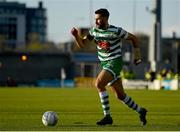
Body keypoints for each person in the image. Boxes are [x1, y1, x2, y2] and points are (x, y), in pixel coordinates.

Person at [71, 8, 147, 126]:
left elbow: (134, 38)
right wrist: (76, 36)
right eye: (95, 19)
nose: (96, 22)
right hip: (105, 64)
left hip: (115, 62)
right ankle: (141, 111)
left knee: (99, 84)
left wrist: (137, 56)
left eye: (98, 19)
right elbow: (82, 44)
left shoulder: (116, 31)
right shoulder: (94, 31)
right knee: (120, 96)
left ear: (105, 18)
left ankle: (107, 116)